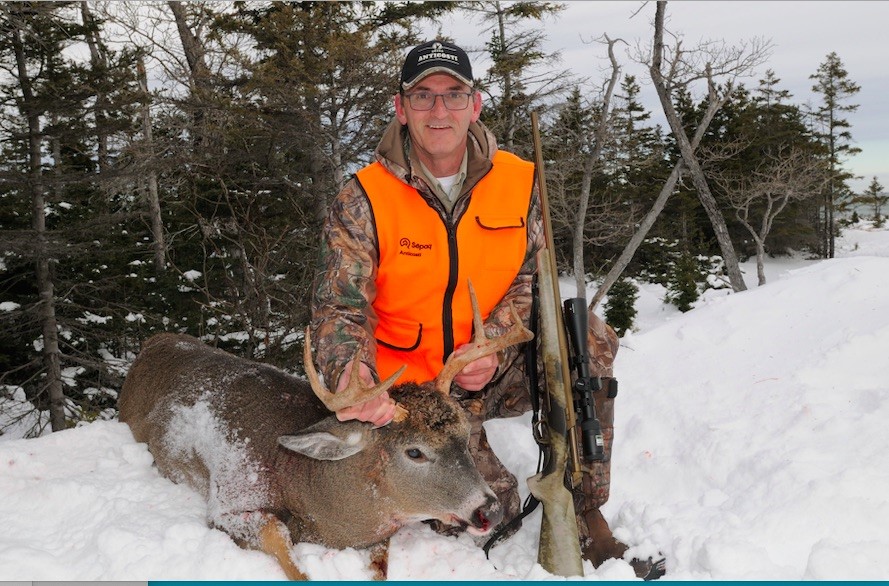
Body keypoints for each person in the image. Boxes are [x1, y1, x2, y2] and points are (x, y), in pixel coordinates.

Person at [309, 40, 661, 579]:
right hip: (409, 395)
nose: (439, 111)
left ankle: (588, 513)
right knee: (490, 512)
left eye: (454, 95)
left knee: (585, 336)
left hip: (491, 369)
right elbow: (339, 306)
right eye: (423, 96)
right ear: (400, 107)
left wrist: (493, 349)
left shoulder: (520, 181)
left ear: (475, 104)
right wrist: (352, 371)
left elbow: (530, 281)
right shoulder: (363, 197)